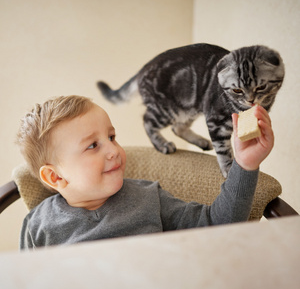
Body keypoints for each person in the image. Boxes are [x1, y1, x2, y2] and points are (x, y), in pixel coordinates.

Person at [17, 95, 274, 249]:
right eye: (93, 145)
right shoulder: (37, 226)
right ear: (56, 177)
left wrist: (244, 164)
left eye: (111, 136)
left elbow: (217, 225)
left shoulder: (149, 199)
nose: (113, 150)